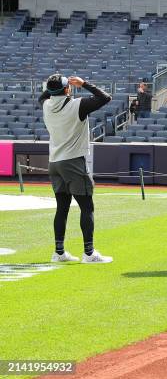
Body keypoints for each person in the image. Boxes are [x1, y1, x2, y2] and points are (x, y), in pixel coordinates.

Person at [40, 74, 113, 264]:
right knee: (87, 206)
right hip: (72, 162)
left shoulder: (46, 105)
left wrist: (55, 85)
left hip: (54, 162)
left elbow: (44, 95)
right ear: (67, 89)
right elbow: (105, 97)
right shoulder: (76, 105)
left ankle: (59, 252)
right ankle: (89, 253)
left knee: (62, 208)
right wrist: (84, 84)